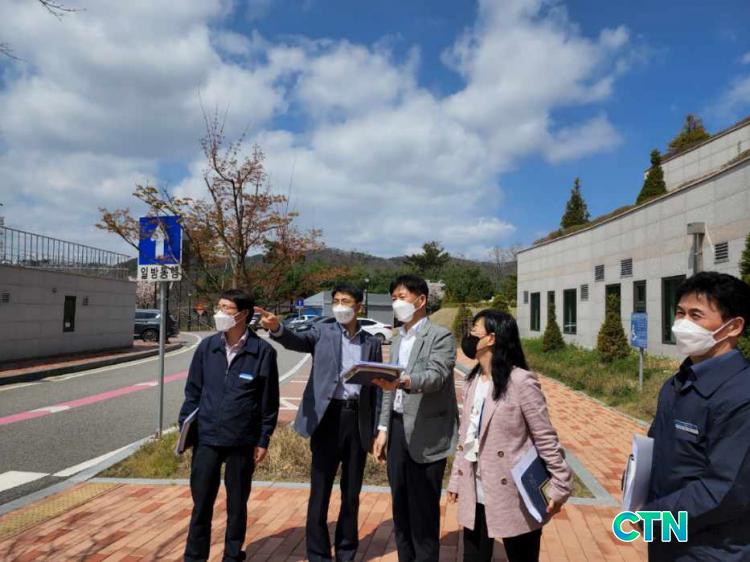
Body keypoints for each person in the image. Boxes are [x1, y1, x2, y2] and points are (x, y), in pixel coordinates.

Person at [255, 284, 382, 562]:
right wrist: (277, 328)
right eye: (336, 301)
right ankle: (318, 553)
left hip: (356, 419)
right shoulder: (322, 332)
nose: (339, 306)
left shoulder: (371, 342)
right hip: (326, 418)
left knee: (351, 492)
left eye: (345, 301)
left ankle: (346, 551)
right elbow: (296, 340)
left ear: (358, 306)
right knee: (320, 489)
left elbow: (377, 388)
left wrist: (376, 428)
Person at [446, 309, 571, 562]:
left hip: (515, 492)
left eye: (475, 330)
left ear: (491, 338)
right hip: (475, 487)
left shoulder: (520, 381)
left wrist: (561, 484)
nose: (469, 335)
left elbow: (545, 437)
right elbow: (465, 436)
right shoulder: (472, 381)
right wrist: (456, 479)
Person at [645, 271, 750, 561]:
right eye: (680, 313)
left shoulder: (741, 396)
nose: (682, 324)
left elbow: (725, 490)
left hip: (713, 549)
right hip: (668, 539)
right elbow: (656, 449)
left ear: (733, 327)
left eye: (696, 315)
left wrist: (653, 517)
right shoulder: (677, 383)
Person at [179, 289, 280, 562]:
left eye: (227, 308)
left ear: (243, 314)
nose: (219, 313)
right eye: (219, 306)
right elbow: (193, 391)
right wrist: (185, 428)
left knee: (237, 505)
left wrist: (263, 439)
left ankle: (232, 555)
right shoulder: (207, 347)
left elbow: (269, 401)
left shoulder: (262, 352)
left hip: (242, 441)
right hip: (206, 438)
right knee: (201, 504)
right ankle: (194, 556)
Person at [372, 274, 458, 562]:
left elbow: (436, 376)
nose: (397, 303)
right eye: (393, 298)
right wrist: (383, 427)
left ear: (421, 300)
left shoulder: (440, 336)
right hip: (397, 429)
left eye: (402, 297)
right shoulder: (397, 337)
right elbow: (389, 387)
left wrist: (404, 381)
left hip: (426, 433)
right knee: (400, 507)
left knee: (424, 513)